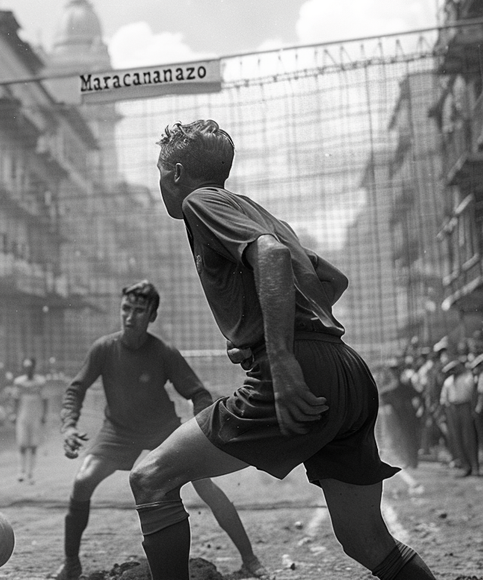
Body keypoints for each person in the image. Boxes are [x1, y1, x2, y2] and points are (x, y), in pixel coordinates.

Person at [133, 119, 434, 580]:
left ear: (174, 173)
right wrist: (270, 329)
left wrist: (280, 353)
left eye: (158, 173)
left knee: (150, 476)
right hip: (347, 370)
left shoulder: (200, 200)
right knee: (365, 540)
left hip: (303, 369)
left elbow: (269, 256)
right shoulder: (262, 212)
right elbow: (332, 280)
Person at [55, 281, 266, 580]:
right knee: (82, 481)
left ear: (152, 316)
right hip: (118, 432)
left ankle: (250, 559)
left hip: (162, 430)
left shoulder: (164, 352)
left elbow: (199, 394)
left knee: (205, 486)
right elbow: (75, 390)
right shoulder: (103, 348)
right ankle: (71, 565)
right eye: (126, 309)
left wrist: (200, 428)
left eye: (139, 311)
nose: (130, 317)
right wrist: (69, 426)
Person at [439, 359, 478, 477]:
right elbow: (443, 398)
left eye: (454, 369)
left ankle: (475, 466)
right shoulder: (448, 382)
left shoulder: (467, 378)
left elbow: (472, 394)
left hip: (464, 406)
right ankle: (466, 466)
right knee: (457, 438)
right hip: (452, 408)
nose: (453, 372)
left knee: (468, 437)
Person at [11, 356, 47, 483]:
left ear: (34, 367)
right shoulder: (19, 382)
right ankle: (21, 471)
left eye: (30, 367)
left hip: (35, 416)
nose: (28, 370)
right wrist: (14, 414)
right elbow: (15, 399)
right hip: (23, 415)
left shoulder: (41, 382)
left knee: (33, 445)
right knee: (22, 444)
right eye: (26, 367)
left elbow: (44, 399)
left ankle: (30, 473)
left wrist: (44, 415)